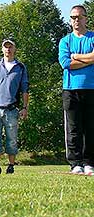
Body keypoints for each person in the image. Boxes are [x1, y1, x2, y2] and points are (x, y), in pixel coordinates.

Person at [0, 39, 29, 174]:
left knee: (12, 139)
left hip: (12, 109)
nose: (8, 49)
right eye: (6, 47)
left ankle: (11, 165)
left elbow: (25, 88)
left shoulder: (20, 67)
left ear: (15, 49)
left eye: (10, 47)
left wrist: (25, 107)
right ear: (2, 49)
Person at [58, 5, 94, 175]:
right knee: (73, 129)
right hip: (71, 89)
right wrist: (90, 60)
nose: (76, 20)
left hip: (91, 88)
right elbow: (66, 64)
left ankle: (89, 163)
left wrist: (77, 56)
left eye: (79, 17)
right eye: (73, 17)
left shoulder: (92, 37)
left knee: (91, 128)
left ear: (86, 18)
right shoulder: (65, 41)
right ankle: (75, 163)